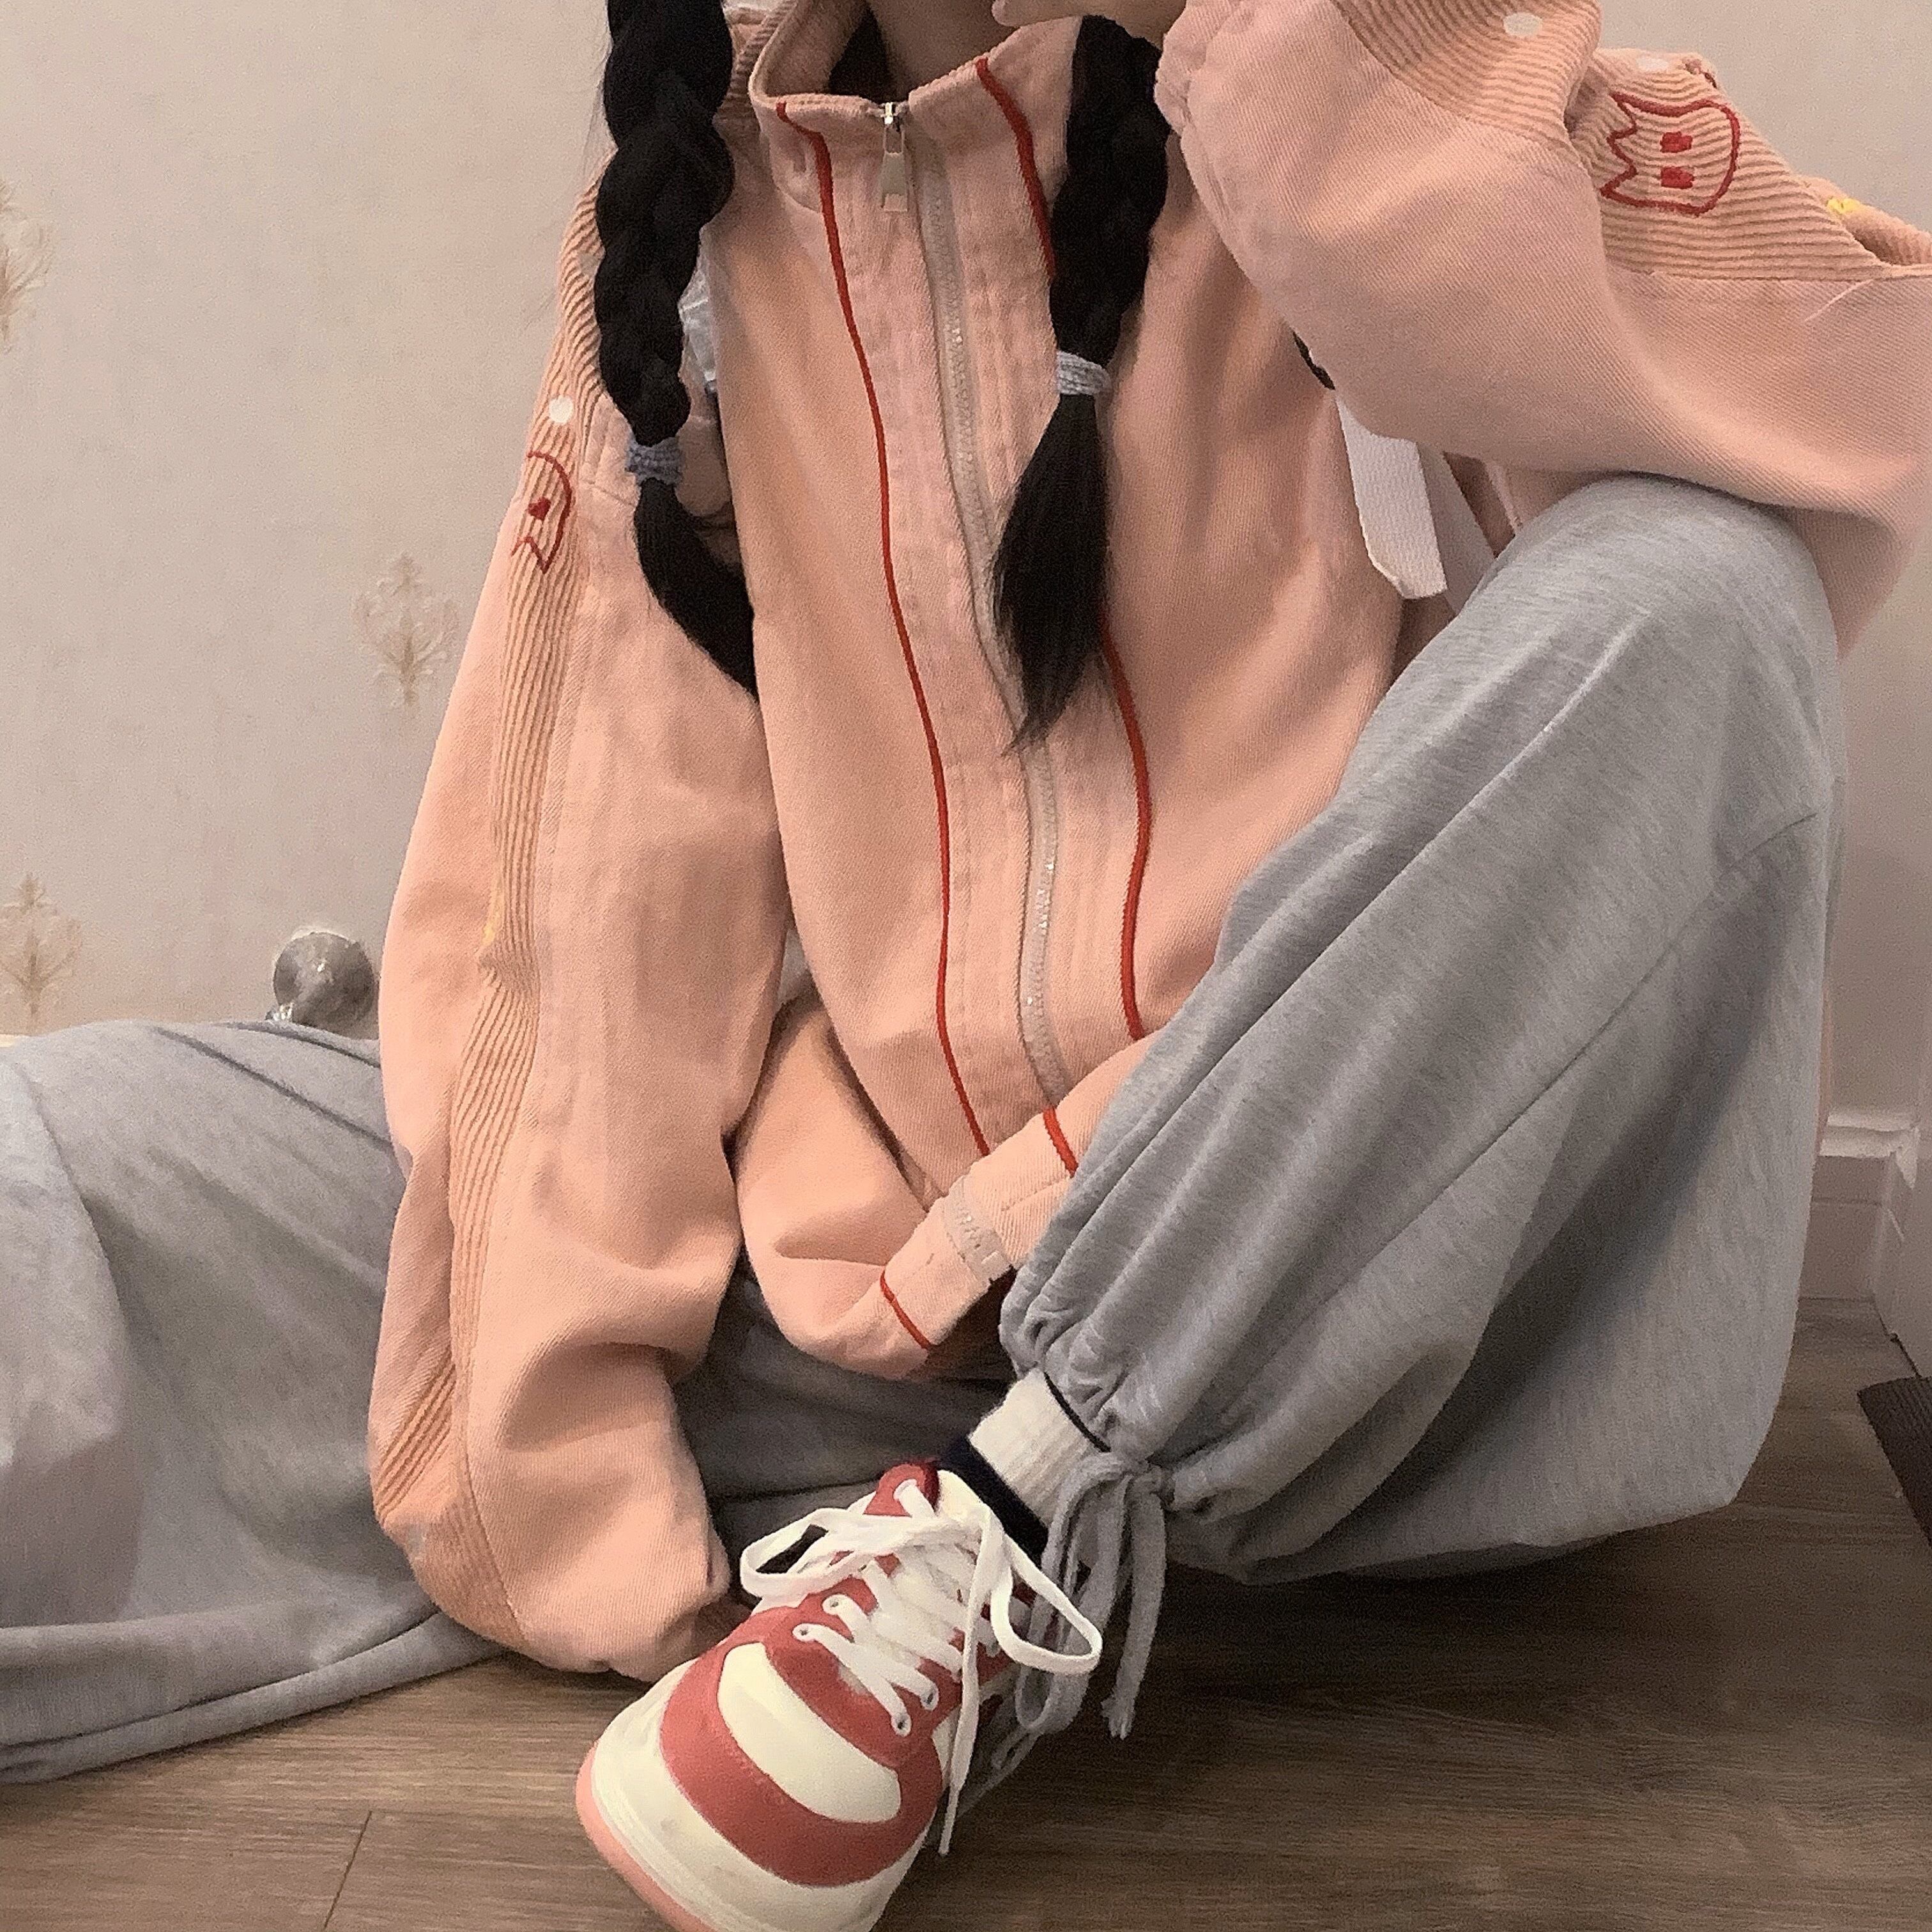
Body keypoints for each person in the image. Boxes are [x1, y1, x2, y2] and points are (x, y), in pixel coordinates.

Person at [2, 0, 1926, 1928]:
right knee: (75, 1151)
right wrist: (571, 1504)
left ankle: (1033, 1506)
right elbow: (601, 876)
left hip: (1361, 1304)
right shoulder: (696, 210)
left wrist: (1297, 71)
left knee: (1700, 600)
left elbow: (1863, 382)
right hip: (887, 1305)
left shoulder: (1347, 81)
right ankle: (929, 1545)